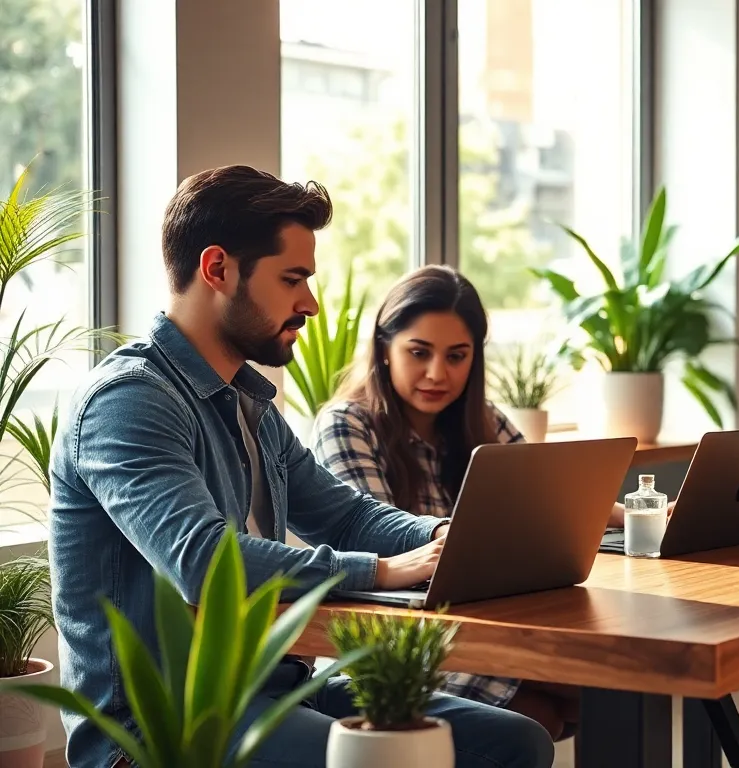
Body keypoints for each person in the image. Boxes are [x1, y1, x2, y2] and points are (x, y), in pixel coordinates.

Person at [47, 165, 555, 768]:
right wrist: (380, 571)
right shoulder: (129, 400)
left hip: (275, 689)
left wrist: (451, 537)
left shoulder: (249, 403)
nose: (309, 304)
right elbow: (205, 562)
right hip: (163, 729)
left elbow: (347, 517)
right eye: (293, 279)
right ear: (217, 269)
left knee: (516, 742)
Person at [311, 264, 605, 741]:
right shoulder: (346, 423)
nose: (437, 374)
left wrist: (636, 509)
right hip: (396, 639)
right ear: (384, 349)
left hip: (483, 624)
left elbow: (548, 498)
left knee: (592, 689)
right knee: (574, 698)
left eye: (457, 356)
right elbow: (374, 538)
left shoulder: (481, 420)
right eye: (419, 352)